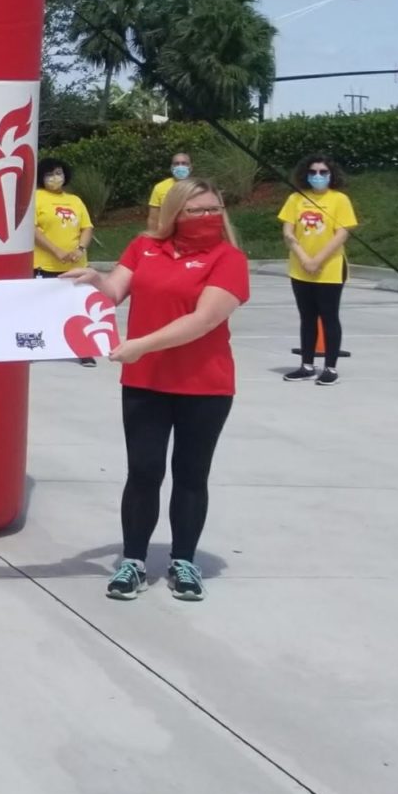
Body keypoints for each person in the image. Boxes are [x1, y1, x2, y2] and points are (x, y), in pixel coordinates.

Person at [67, 179, 248, 603]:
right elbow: (115, 292)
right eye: (195, 211)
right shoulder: (144, 247)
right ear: (174, 213)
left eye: (212, 209)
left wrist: (140, 346)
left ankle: (183, 561)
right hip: (145, 381)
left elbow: (204, 320)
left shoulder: (229, 258)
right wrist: (95, 278)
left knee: (190, 475)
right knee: (144, 472)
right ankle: (132, 561)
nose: (207, 218)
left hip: (205, 385)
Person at [280, 154, 358, 384]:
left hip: (330, 268)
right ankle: (306, 364)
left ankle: (330, 368)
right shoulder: (295, 198)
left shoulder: (340, 199)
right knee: (307, 317)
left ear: (331, 175)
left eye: (323, 172)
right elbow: (288, 232)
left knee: (329, 317)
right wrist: (305, 258)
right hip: (300, 267)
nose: (318, 176)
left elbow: (341, 234)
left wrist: (318, 261)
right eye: (313, 172)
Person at [33, 156, 98, 368]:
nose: (55, 178)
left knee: (77, 308)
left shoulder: (75, 201)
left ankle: (83, 349)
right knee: (42, 308)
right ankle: (37, 346)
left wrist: (80, 249)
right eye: (50, 174)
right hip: (45, 264)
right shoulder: (36, 198)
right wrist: (56, 251)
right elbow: (33, 230)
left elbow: (86, 227)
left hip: (75, 265)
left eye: (58, 173)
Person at [146, 152, 193, 231]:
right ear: (172, 167)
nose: (180, 166)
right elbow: (153, 218)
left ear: (190, 167)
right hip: (167, 232)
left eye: (184, 163)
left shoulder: (199, 187)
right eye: (176, 164)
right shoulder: (159, 188)